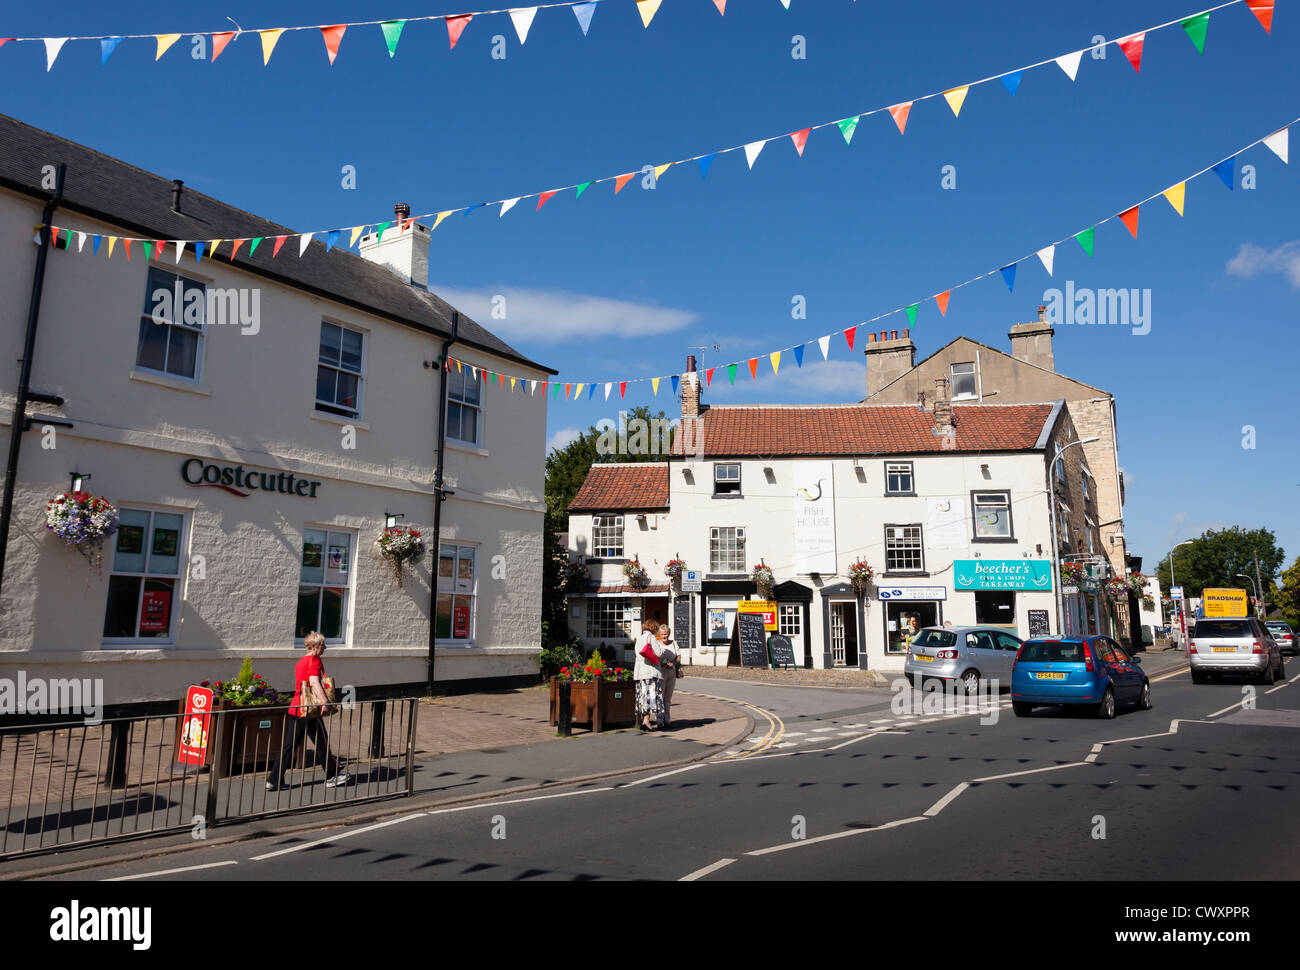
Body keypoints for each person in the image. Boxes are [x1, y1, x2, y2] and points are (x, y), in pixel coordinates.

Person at [266, 631, 349, 791]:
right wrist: (325, 702)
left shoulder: (301, 661)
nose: (325, 647)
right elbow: (314, 682)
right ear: (314, 646)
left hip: (296, 707)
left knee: (289, 746)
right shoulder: (314, 660)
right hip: (309, 709)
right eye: (322, 645)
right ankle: (332, 776)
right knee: (321, 742)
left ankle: (273, 780)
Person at [632, 619, 665, 731]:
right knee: (650, 697)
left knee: (643, 697)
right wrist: (662, 651)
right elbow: (658, 653)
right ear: (654, 628)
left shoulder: (639, 639)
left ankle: (643, 721)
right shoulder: (651, 638)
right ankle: (646, 722)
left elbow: (637, 654)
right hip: (650, 672)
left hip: (640, 672)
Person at [657, 623, 679, 728]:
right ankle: (659, 720)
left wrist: (674, 663)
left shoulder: (674, 643)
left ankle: (667, 719)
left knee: (668, 698)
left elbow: (678, 656)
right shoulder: (657, 644)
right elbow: (655, 658)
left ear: (669, 633)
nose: (664, 636)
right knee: (660, 697)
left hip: (672, 673)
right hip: (661, 673)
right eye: (662, 634)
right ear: (659, 634)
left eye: (665, 634)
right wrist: (663, 663)